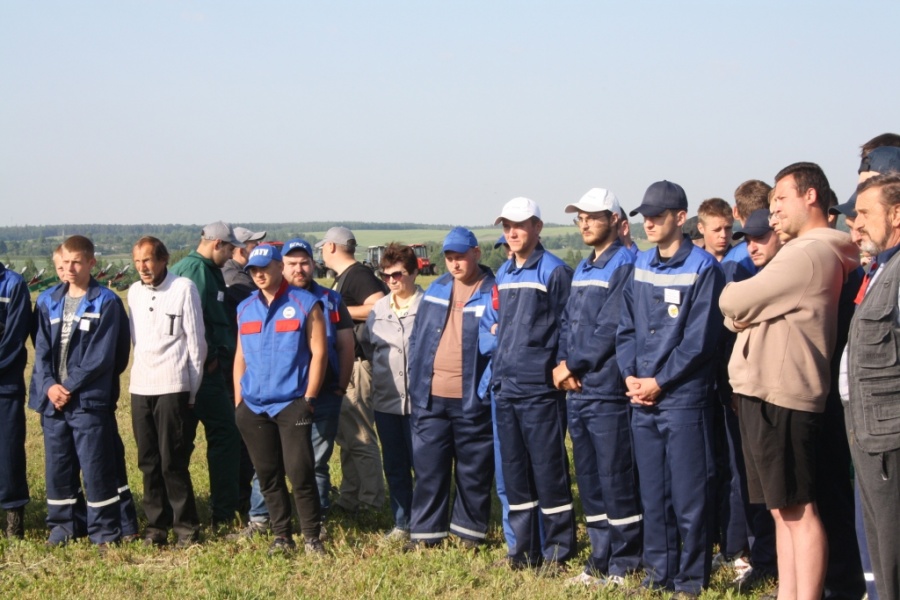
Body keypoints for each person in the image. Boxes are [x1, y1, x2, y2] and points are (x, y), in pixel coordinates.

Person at [720, 162, 859, 600]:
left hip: (784, 396)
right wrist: (746, 312)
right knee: (782, 510)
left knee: (798, 510)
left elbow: (733, 298)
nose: (773, 210)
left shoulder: (809, 253)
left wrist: (745, 311)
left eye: (780, 199)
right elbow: (740, 310)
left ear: (810, 196)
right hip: (768, 393)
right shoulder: (802, 252)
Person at [617, 181, 724, 596]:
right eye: (645, 216)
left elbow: (699, 341)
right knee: (653, 493)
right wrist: (630, 374)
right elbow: (626, 327)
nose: (649, 223)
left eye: (658, 216)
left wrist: (659, 382)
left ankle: (691, 579)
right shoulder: (641, 263)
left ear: (681, 218)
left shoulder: (703, 268)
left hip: (682, 399)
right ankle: (658, 574)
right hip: (641, 398)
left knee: (689, 495)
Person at [553, 189, 641, 587]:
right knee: (589, 477)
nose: (585, 223)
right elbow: (567, 322)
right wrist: (562, 365)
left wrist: (572, 365)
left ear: (615, 220)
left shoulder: (624, 264)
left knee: (615, 476)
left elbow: (610, 328)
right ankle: (600, 559)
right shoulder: (584, 267)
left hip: (606, 389)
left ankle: (626, 562)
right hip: (577, 389)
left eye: (593, 216)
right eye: (580, 217)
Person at [30, 235, 131, 547]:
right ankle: (64, 527)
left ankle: (104, 532)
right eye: (66, 262)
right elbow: (40, 350)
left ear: (91, 263)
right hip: (53, 401)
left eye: (77, 262)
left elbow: (104, 358)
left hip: (87, 401)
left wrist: (69, 387)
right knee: (58, 467)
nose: (70, 268)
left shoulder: (107, 302)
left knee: (96, 467)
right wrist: (49, 386)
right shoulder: (47, 300)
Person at [491, 197, 575, 569]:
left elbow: (567, 326)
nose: (512, 232)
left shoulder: (554, 271)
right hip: (506, 387)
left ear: (537, 227)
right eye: (507, 225)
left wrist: (560, 367)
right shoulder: (504, 272)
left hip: (540, 391)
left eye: (520, 225)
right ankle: (523, 551)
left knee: (549, 472)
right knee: (516, 474)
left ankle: (557, 551)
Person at [405, 228, 496, 550]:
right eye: (449, 257)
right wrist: (416, 378)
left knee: (473, 471)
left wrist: (486, 389)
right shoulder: (437, 288)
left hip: (472, 397)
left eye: (461, 257)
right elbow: (417, 336)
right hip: (431, 397)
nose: (455, 264)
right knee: (428, 469)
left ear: (476, 253)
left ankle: (468, 534)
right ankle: (426, 534)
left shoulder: (494, 290)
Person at [233, 244, 327, 555]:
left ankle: (312, 537)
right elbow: (240, 356)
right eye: (253, 270)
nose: (259, 275)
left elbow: (319, 353)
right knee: (267, 475)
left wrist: (308, 398)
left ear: (279, 267)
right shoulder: (245, 307)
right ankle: (282, 536)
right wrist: (239, 403)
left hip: (291, 404)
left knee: (300, 473)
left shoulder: (305, 303)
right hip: (253, 407)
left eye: (264, 268)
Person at [128, 236, 207, 547]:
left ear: (163, 259)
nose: (143, 267)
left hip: (173, 386)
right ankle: (155, 528)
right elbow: (137, 341)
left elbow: (196, 344)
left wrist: (192, 391)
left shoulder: (183, 288)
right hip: (140, 387)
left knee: (172, 460)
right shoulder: (133, 292)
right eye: (137, 261)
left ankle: (186, 528)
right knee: (148, 461)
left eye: (148, 260)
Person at [845, 173, 900, 600]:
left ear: (896, 214)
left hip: (891, 440)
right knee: (882, 551)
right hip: (869, 433)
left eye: (865, 212)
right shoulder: (881, 268)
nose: (856, 223)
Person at [170, 221, 244, 530]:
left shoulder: (209, 269)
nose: (232, 254)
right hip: (202, 373)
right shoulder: (196, 271)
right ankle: (223, 511)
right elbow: (193, 320)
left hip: (204, 370)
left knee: (184, 440)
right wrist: (210, 358)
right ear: (217, 244)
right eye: (229, 248)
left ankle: (185, 509)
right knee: (225, 434)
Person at [317, 226, 386, 515]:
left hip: (357, 366)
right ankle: (350, 497)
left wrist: (337, 313)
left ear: (332, 247)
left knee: (360, 435)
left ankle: (371, 501)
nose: (322, 252)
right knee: (348, 436)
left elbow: (379, 305)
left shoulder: (358, 275)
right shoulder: (345, 277)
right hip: (351, 366)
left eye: (323, 247)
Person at [363, 244, 423, 541]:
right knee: (395, 466)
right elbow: (368, 346)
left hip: (421, 403)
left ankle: (426, 524)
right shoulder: (378, 310)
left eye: (397, 274)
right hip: (386, 402)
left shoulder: (429, 306)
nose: (391, 281)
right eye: (385, 276)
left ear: (413, 272)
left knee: (424, 467)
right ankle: (402, 523)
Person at [0, 259, 31, 539]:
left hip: (5, 385)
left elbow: (14, 338)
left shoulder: (13, 285)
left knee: (8, 452)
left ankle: (14, 518)